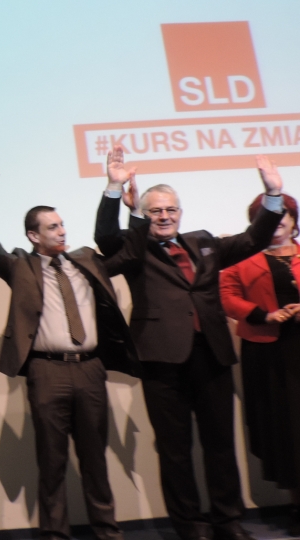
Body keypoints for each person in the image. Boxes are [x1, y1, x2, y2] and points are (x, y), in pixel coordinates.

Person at [95, 147, 285, 540]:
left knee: (221, 445)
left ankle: (227, 521)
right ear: (144, 216)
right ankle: (190, 526)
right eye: (155, 211)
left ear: (180, 213)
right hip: (162, 360)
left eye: (170, 210)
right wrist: (113, 188)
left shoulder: (204, 242)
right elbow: (105, 237)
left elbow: (254, 239)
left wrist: (272, 195)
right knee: (175, 450)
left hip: (211, 355)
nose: (164, 216)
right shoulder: (135, 249)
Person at [0, 159, 140, 540]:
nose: (62, 231)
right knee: (52, 461)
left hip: (90, 368)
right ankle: (54, 534)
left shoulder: (86, 260)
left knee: (95, 458)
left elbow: (131, 254)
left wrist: (116, 191)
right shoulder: (20, 267)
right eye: (52, 227)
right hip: (47, 371)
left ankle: (107, 532)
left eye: (62, 224)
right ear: (33, 236)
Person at [220, 193, 300, 537]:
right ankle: (297, 504)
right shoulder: (241, 258)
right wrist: (262, 315)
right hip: (269, 353)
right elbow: (226, 296)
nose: (278, 223)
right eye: (269, 217)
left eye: (285, 216)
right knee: (287, 429)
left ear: (294, 220)